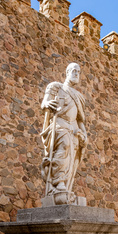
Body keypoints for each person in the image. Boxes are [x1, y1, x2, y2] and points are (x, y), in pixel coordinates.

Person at [41, 63, 87, 201]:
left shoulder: (79, 97)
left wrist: (84, 134)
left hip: (74, 128)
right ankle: (58, 182)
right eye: (73, 70)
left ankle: (66, 189)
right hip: (59, 122)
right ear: (67, 72)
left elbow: (80, 120)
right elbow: (44, 103)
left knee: (71, 160)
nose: (76, 73)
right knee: (64, 145)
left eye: (78, 71)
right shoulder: (55, 87)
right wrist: (47, 104)